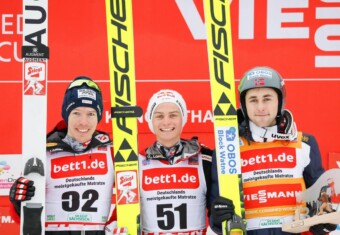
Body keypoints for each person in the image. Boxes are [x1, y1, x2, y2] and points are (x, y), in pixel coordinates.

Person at [209, 66, 336, 235]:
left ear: (279, 101)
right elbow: (217, 212)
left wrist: (322, 220)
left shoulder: (305, 144)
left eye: (267, 98)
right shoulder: (228, 148)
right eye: (253, 100)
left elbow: (321, 202)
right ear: (244, 105)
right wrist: (217, 218)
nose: (260, 107)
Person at [10, 76, 126, 235]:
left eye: (91, 114)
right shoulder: (43, 153)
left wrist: (114, 225)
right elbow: (22, 219)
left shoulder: (111, 152)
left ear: (98, 116)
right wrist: (18, 203)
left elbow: (131, 197)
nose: (83, 122)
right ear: (66, 114)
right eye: (76, 113)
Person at [139, 89, 214, 234]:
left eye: (173, 115)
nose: (166, 122)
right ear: (150, 120)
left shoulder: (205, 159)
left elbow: (218, 211)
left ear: (183, 118)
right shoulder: (137, 162)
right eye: (159, 116)